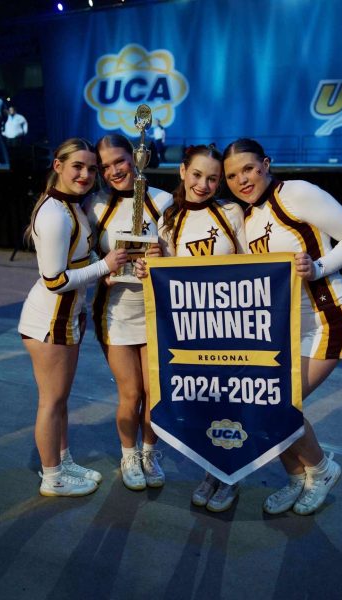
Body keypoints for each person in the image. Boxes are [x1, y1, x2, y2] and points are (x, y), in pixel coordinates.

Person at [222, 137, 342, 515]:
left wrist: (319, 267)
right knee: (264, 405)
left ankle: (321, 469)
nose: (242, 180)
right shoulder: (248, 218)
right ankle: (296, 477)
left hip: (326, 316)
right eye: (233, 175)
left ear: (266, 164)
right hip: (283, 326)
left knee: (277, 405)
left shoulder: (297, 194)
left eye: (249, 169)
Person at [136, 144, 246, 512]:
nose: (204, 183)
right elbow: (165, 274)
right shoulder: (169, 216)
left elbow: (255, 263)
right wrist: (148, 265)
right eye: (197, 175)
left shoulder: (231, 211)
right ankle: (211, 470)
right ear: (182, 171)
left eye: (213, 178)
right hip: (190, 330)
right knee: (203, 403)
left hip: (231, 326)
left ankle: (231, 476)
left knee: (233, 402)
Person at [18, 137, 127, 497]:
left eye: (91, 168)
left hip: (66, 318)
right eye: (77, 166)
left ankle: (61, 460)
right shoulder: (53, 214)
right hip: (49, 320)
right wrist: (105, 266)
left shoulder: (70, 207)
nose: (85, 174)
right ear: (58, 166)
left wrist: (104, 270)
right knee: (51, 401)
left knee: (59, 399)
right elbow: (55, 281)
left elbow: (76, 266)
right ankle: (53, 477)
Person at [83, 134, 173, 492]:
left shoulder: (163, 200)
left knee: (155, 393)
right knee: (131, 393)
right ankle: (128, 453)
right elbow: (82, 251)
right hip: (115, 313)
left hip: (155, 312)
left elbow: (174, 253)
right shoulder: (94, 205)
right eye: (104, 167)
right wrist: (99, 267)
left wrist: (161, 260)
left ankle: (150, 452)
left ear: (136, 157)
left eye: (118, 161)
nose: (112, 171)